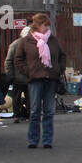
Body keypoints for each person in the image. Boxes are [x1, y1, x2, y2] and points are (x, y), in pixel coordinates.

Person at [22, 12, 66, 148]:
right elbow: (18, 59)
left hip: (51, 78)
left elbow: (61, 56)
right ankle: (33, 140)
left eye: (47, 25)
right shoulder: (27, 41)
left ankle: (47, 140)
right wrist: (28, 72)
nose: (47, 28)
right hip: (35, 79)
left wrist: (59, 69)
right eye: (44, 25)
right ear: (37, 26)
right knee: (34, 111)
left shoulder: (53, 40)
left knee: (48, 111)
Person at [5, 27, 31, 122]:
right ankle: (21, 114)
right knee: (21, 96)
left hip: (22, 76)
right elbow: (9, 61)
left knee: (20, 96)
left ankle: (20, 115)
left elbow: (8, 61)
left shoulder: (15, 44)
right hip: (21, 76)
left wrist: (10, 74)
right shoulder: (16, 45)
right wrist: (10, 75)